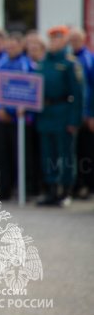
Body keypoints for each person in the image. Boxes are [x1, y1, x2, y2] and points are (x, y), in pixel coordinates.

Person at [35, 26, 84, 207]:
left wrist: (74, 120)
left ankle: (65, 190)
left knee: (65, 154)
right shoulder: (43, 62)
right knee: (48, 153)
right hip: (46, 113)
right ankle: (51, 189)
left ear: (64, 41)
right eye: (52, 39)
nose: (54, 42)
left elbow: (78, 95)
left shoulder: (70, 63)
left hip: (63, 112)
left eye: (58, 38)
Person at [0, 32, 36, 201]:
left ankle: (26, 188)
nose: (10, 49)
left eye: (13, 46)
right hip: (2, 118)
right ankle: (5, 188)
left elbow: (31, 91)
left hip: (20, 119)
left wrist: (16, 111)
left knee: (23, 156)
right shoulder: (1, 64)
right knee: (2, 154)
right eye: (7, 46)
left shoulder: (27, 65)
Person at [68, 28, 93, 199]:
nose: (74, 43)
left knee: (87, 152)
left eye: (78, 39)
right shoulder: (70, 59)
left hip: (86, 114)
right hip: (74, 113)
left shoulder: (88, 59)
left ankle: (88, 185)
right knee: (74, 152)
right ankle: (77, 184)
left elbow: (89, 90)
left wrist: (89, 113)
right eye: (72, 39)